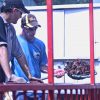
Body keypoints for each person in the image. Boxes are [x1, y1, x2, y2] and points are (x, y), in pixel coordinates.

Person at [12, 13, 65, 100]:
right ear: (23, 27)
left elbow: (42, 66)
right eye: (30, 29)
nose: (33, 32)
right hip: (19, 90)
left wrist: (54, 72)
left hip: (37, 89)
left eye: (35, 28)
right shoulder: (14, 41)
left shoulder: (40, 44)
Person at [0, 0, 43, 83]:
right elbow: (1, 49)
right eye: (21, 13)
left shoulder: (10, 28)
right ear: (14, 10)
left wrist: (29, 76)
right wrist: (10, 76)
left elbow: (19, 54)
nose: (20, 17)